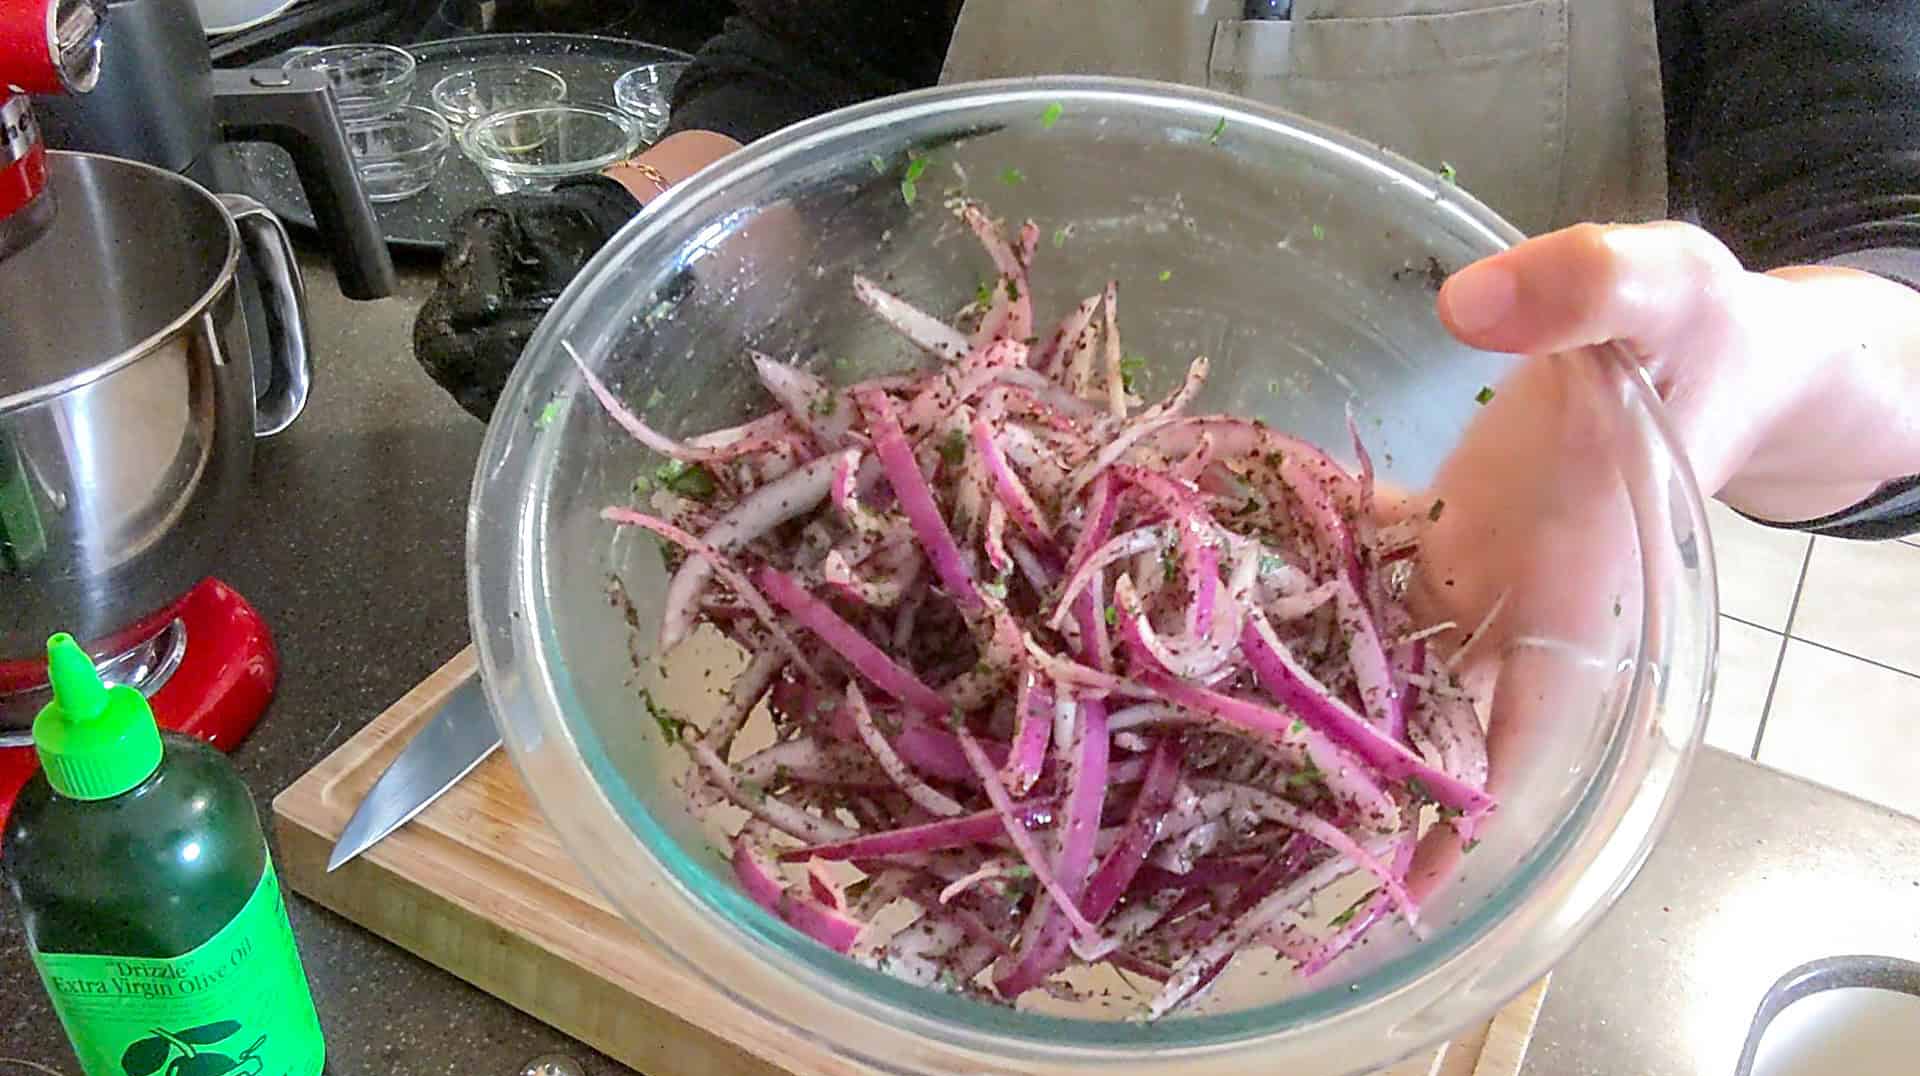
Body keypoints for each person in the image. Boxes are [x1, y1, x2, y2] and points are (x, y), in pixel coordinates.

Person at [416, 0, 1920, 542]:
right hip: (943, 550)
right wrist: (651, 234)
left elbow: (1889, 249)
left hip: (1453, 632)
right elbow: (813, 86)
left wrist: (1771, 364)